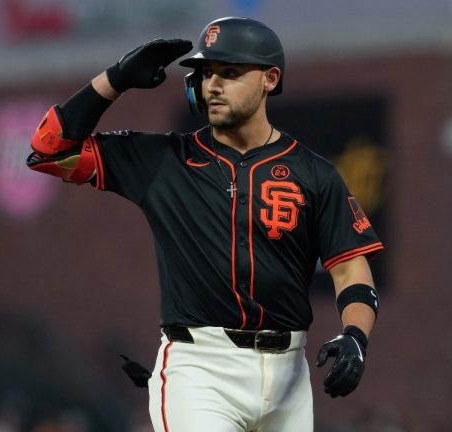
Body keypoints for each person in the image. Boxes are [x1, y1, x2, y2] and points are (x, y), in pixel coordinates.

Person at [25, 16, 384, 432]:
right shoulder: (163, 160)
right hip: (200, 368)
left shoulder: (314, 174)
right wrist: (116, 78)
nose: (213, 84)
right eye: (206, 72)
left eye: (230, 73)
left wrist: (356, 335)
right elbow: (47, 151)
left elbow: (350, 267)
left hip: (289, 373)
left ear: (269, 78)